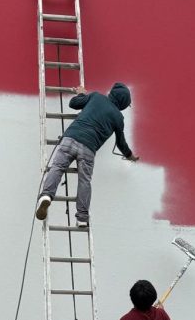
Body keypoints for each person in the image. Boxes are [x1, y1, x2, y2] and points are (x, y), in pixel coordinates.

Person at [35, 82, 138, 227]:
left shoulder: (96, 97)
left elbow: (73, 103)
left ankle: (46, 195)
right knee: (84, 181)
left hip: (70, 138)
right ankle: (82, 217)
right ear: (123, 103)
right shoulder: (118, 118)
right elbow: (121, 144)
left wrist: (82, 94)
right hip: (89, 149)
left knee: (57, 168)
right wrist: (130, 156)